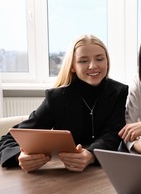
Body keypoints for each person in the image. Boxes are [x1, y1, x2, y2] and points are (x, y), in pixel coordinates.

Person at [0, 34, 128, 172]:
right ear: (72, 66)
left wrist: (91, 155)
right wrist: (20, 156)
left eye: (100, 59)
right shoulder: (56, 98)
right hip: (64, 176)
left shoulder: (119, 92)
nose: (93, 66)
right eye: (83, 61)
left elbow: (114, 134)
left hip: (107, 173)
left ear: (107, 62)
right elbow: (7, 140)